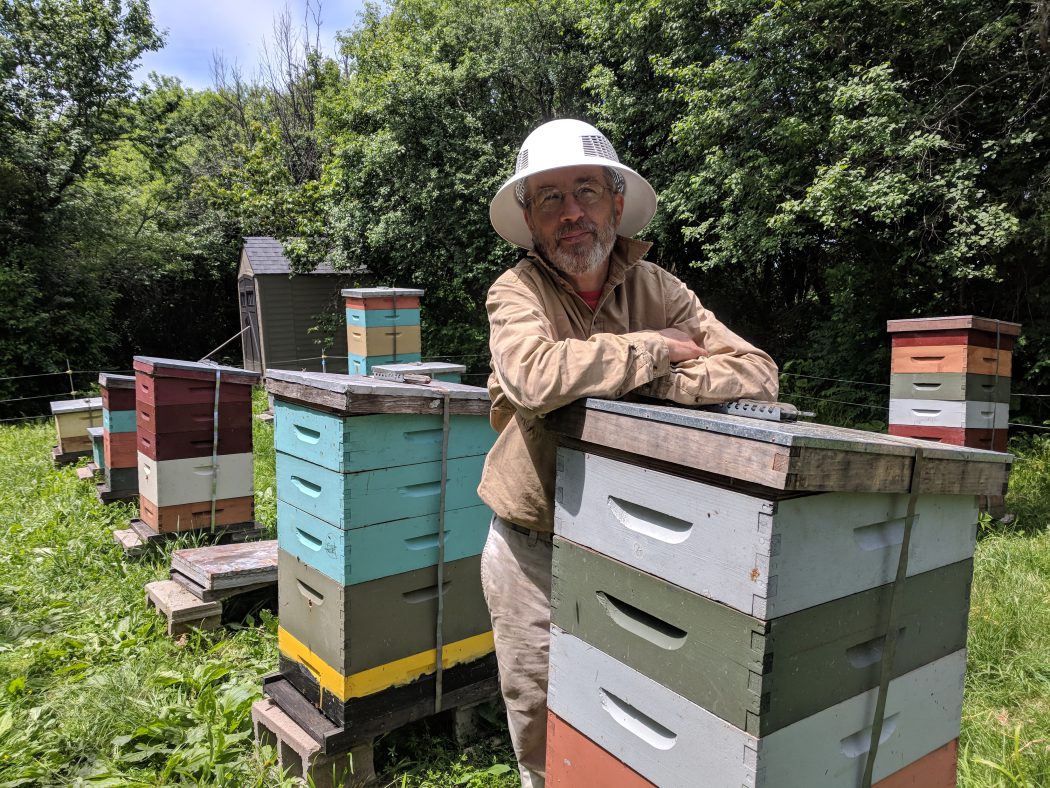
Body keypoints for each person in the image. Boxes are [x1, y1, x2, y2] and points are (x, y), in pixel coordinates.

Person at [477, 118, 779, 787]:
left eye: (586, 190)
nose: (571, 212)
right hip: (532, 546)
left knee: (632, 718)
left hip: (640, 553)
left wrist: (655, 381)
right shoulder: (515, 291)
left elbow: (758, 372)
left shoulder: (660, 289)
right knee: (540, 718)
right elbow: (533, 378)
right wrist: (656, 347)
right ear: (529, 219)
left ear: (617, 202)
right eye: (550, 198)